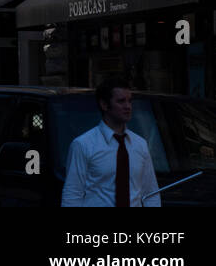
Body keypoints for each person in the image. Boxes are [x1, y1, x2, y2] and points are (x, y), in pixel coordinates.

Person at [62, 77, 160, 207]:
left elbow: (151, 192)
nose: (128, 106)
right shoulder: (83, 144)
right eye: (121, 101)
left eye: (130, 101)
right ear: (104, 105)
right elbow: (73, 194)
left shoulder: (140, 144)